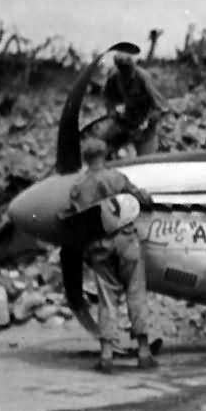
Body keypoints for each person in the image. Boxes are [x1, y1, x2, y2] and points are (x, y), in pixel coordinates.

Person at [69, 137, 156, 372]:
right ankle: (144, 351)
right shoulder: (117, 177)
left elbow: (76, 218)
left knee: (107, 299)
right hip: (126, 241)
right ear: (105, 154)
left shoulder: (78, 187)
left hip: (99, 246)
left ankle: (107, 355)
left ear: (85, 158)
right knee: (135, 293)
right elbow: (140, 198)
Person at [101, 51, 165, 157]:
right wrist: (113, 111)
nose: (125, 72)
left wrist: (146, 123)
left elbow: (159, 106)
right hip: (126, 120)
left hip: (146, 122)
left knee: (146, 160)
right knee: (105, 147)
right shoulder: (114, 77)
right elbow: (108, 98)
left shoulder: (143, 77)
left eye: (127, 68)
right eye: (122, 68)